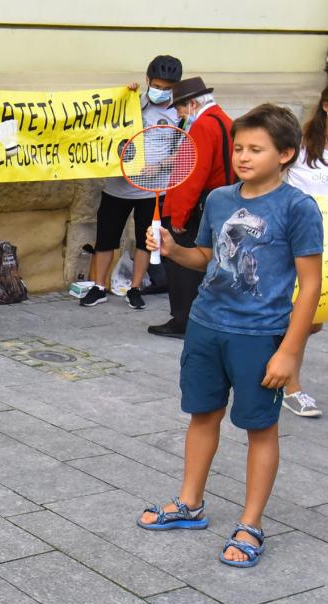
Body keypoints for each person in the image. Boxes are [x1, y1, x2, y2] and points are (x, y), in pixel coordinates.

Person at [137, 104, 323, 568]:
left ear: (285, 154)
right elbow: (205, 257)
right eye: (239, 147)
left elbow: (311, 286)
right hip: (205, 326)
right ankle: (190, 504)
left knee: (260, 430)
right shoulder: (219, 199)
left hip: (260, 337)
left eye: (255, 149)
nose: (243, 156)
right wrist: (173, 248)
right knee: (202, 415)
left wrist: (289, 353)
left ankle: (252, 523)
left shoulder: (298, 208)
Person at [80, 55, 183, 310]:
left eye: (167, 88)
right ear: (147, 80)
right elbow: (105, 125)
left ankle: (135, 288)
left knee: (144, 240)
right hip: (118, 186)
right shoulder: (132, 102)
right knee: (105, 238)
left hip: (153, 189)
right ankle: (99, 286)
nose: (161, 91)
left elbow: (182, 150)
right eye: (157, 86)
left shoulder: (179, 112)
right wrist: (123, 95)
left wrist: (158, 167)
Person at [147, 77, 235, 338]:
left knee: (183, 265)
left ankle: (183, 320)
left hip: (199, 204)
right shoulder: (225, 120)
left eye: (181, 109)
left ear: (193, 103)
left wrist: (179, 215)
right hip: (220, 199)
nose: (180, 114)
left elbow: (191, 174)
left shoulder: (202, 127)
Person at [278, 84, 328, 417]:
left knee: (315, 319)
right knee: (303, 314)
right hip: (304, 237)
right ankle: (290, 386)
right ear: (326, 105)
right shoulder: (304, 142)